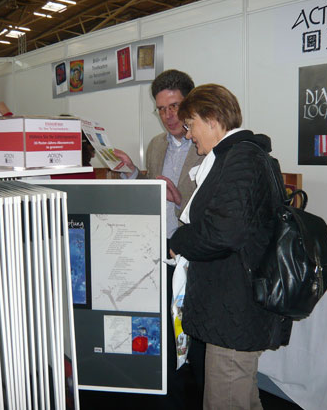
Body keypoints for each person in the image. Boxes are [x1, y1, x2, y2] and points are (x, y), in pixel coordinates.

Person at [168, 84, 292, 410]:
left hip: (234, 310)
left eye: (190, 124)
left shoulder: (241, 159)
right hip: (234, 308)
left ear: (211, 119)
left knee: (225, 399)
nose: (188, 134)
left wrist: (178, 241)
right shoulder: (237, 156)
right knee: (242, 398)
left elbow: (223, 233)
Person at [112, 70, 205, 409]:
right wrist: (132, 173)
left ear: (190, 104)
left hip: (192, 256)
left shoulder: (206, 146)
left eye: (174, 106)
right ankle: (168, 394)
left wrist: (180, 201)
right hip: (159, 250)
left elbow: (212, 207)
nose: (168, 115)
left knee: (194, 335)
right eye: (161, 108)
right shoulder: (156, 145)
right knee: (164, 332)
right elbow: (154, 187)